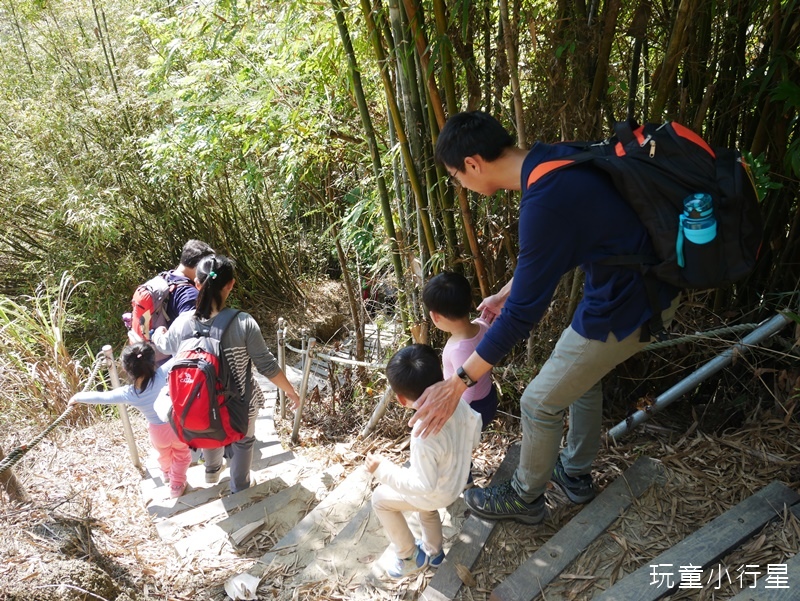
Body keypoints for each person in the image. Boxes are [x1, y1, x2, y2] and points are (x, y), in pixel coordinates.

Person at [411, 110, 680, 524]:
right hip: (633, 289)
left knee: (537, 402)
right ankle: (574, 474)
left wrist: (457, 383)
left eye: (456, 176)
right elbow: (550, 256)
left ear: (472, 164)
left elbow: (519, 319)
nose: (460, 184)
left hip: (630, 303)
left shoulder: (545, 198)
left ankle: (525, 498)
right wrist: (505, 291)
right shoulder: (550, 160)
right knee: (576, 380)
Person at [153, 254, 300, 494]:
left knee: (208, 423)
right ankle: (240, 488)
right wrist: (290, 392)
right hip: (240, 405)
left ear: (197, 284)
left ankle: (211, 470)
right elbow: (267, 365)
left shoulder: (181, 323)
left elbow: (163, 345)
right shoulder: (243, 323)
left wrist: (158, 331)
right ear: (231, 284)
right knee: (244, 441)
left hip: (197, 404)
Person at [366, 344, 482, 579]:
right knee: (425, 507)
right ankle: (435, 553)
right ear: (441, 376)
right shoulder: (456, 400)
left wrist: (383, 470)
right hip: (455, 481)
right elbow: (476, 426)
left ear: (401, 399)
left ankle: (409, 557)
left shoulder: (423, 433)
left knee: (379, 499)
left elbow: (422, 486)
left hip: (437, 491)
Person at [68, 343, 191, 499]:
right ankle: (176, 485)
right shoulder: (164, 374)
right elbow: (180, 356)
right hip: (176, 427)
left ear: (126, 370)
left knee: (163, 454)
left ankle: (167, 473)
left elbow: (103, 397)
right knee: (182, 456)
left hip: (157, 433)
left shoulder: (129, 393)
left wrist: (78, 397)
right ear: (153, 361)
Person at [422, 271, 498, 430]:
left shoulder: (459, 350)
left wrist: (450, 415)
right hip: (488, 397)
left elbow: (467, 390)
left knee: (459, 446)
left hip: (473, 409)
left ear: (434, 316)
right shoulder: (482, 325)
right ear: (470, 301)